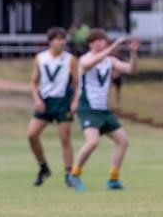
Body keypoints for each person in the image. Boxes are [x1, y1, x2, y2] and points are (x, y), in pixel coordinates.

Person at [67, 28, 139, 192]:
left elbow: (131, 70)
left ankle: (113, 179)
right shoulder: (84, 60)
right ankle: (74, 175)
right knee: (92, 142)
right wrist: (111, 48)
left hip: (103, 109)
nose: (102, 43)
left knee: (123, 141)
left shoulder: (110, 60)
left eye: (104, 40)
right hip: (88, 108)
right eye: (98, 40)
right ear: (91, 43)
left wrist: (134, 54)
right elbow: (90, 63)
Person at [26, 27, 79, 187]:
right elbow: (34, 82)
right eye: (58, 39)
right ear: (50, 41)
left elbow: (77, 84)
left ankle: (69, 174)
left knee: (64, 138)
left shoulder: (70, 59)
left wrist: (75, 101)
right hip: (45, 101)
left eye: (63, 39)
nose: (62, 42)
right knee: (31, 135)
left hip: (63, 101)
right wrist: (36, 99)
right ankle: (43, 167)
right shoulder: (40, 58)